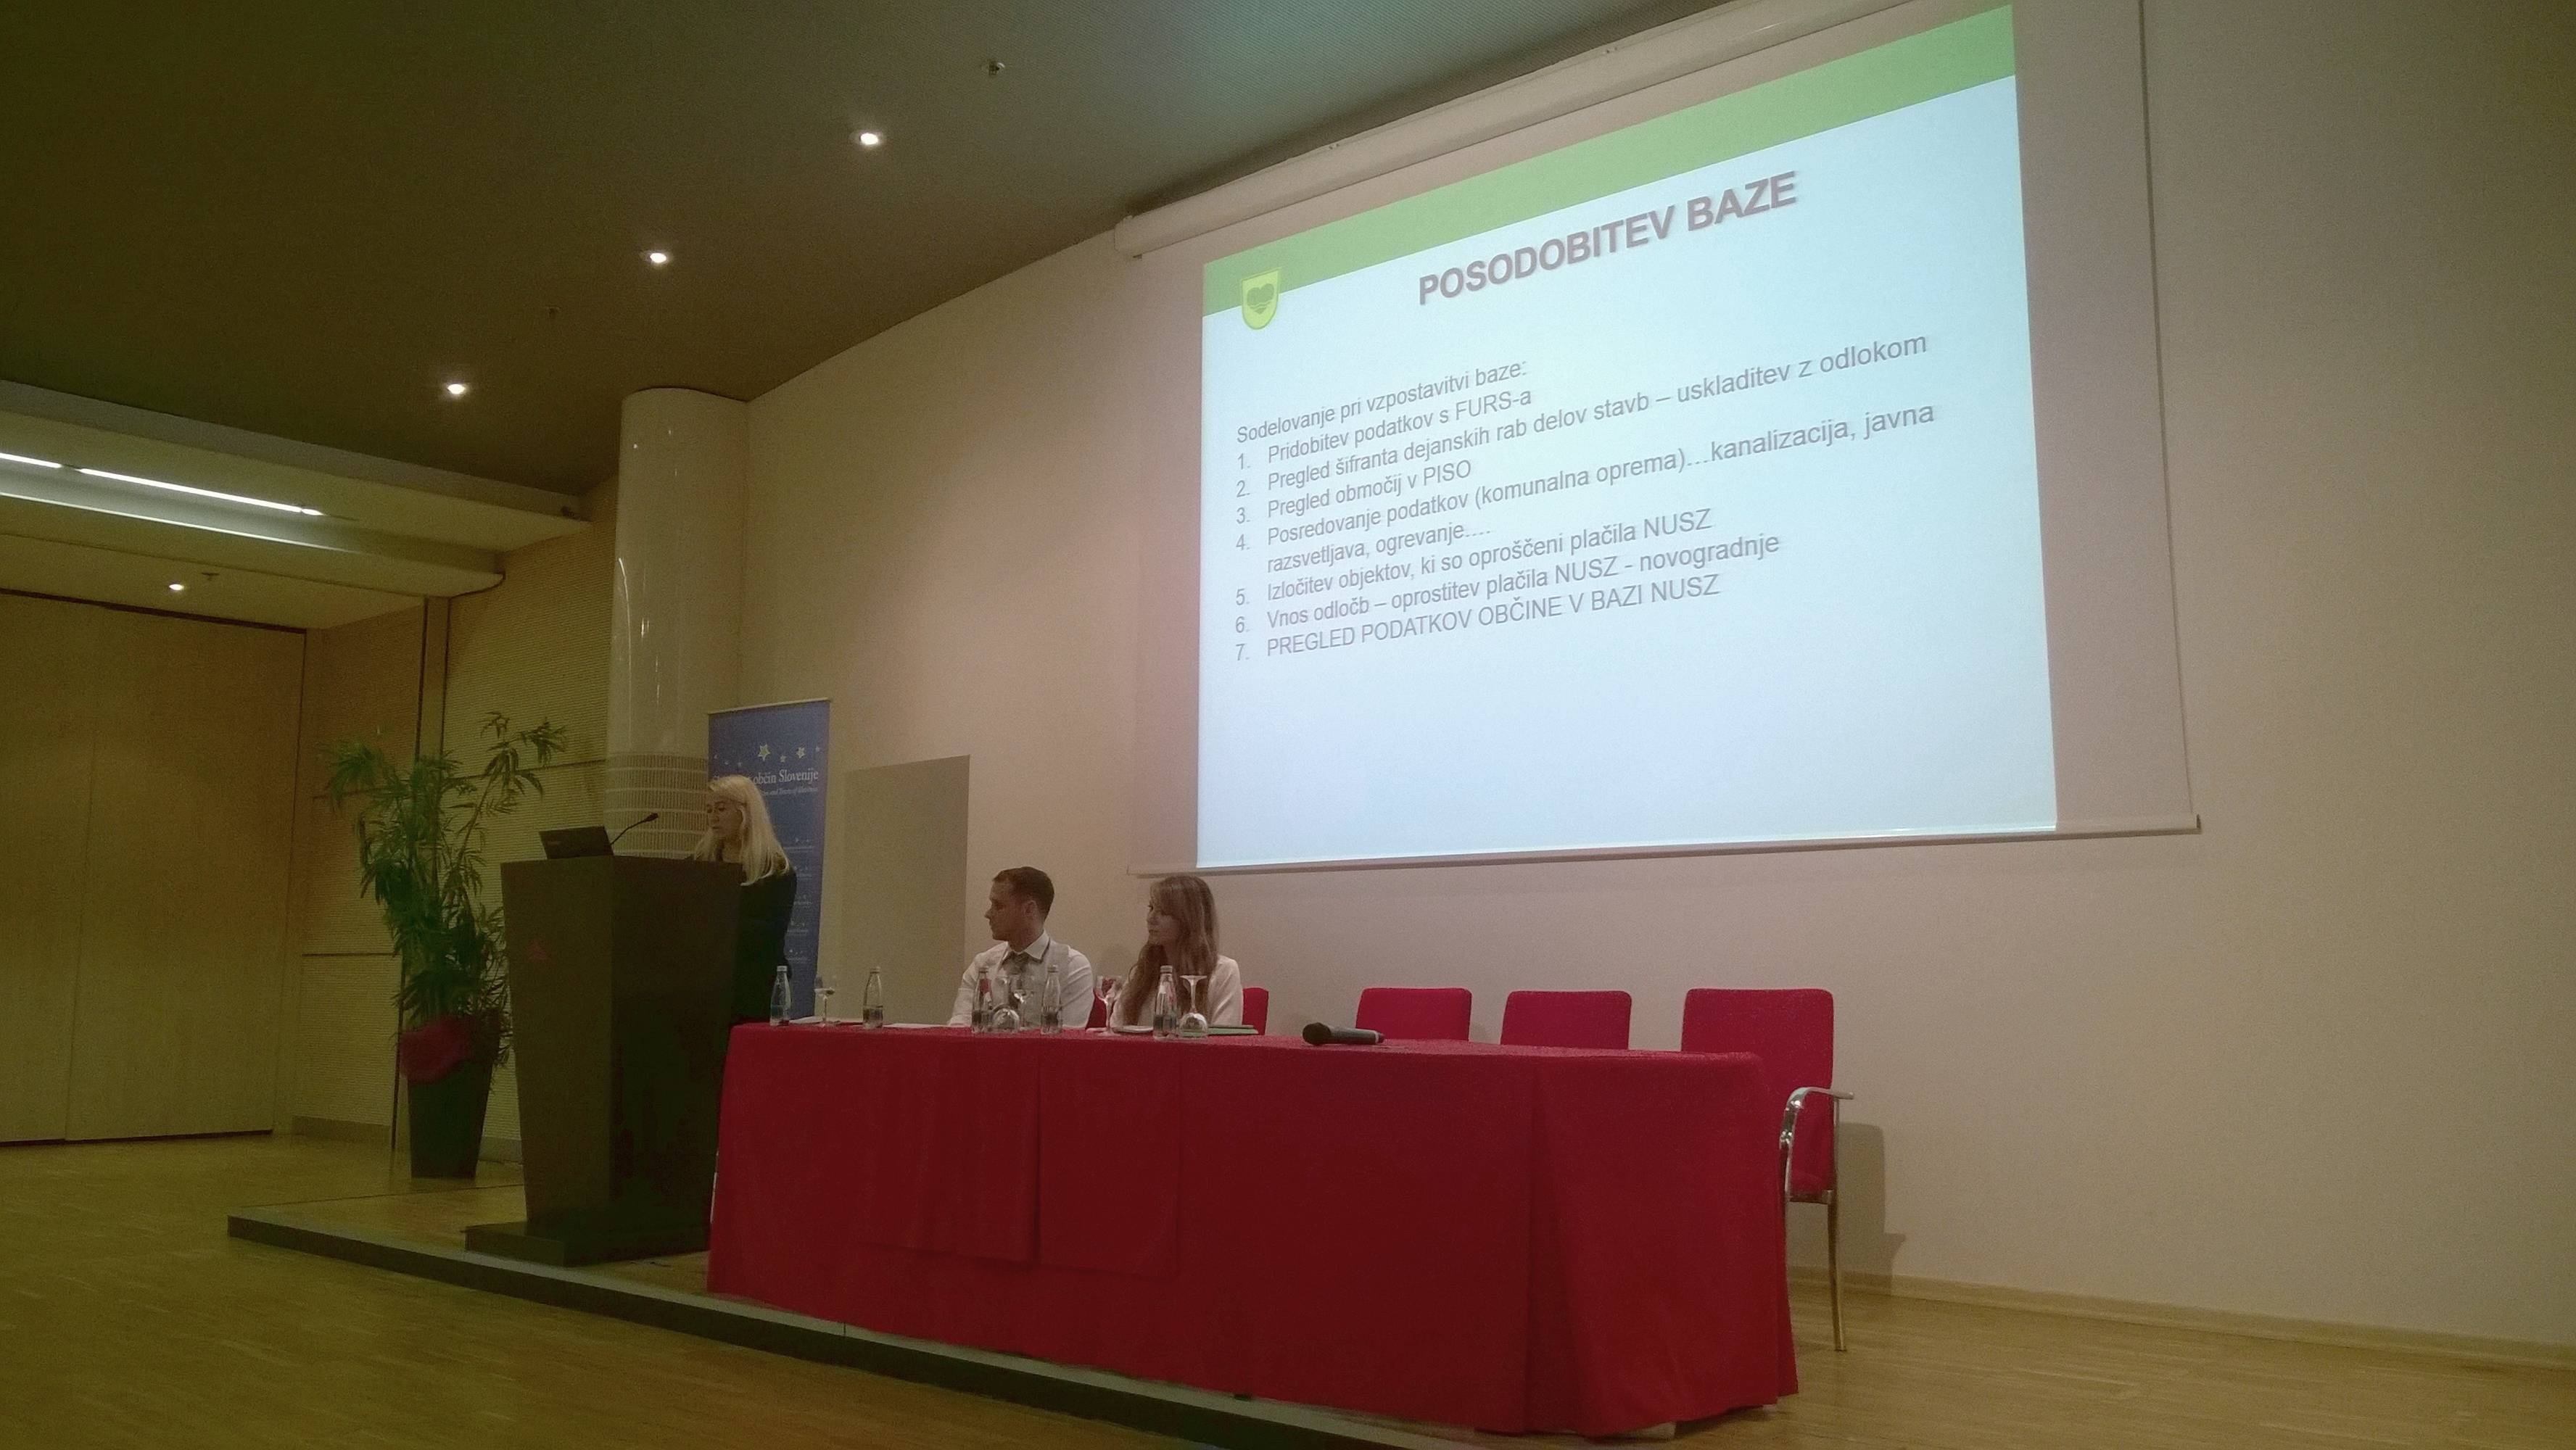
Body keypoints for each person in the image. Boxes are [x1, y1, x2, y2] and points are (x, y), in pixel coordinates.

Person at [694, 774, 798, 1023]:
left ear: (746, 812)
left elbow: (772, 932)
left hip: (755, 985)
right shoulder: (699, 864)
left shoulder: (775, 869)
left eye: (721, 809)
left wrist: (720, 921)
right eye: (709, 810)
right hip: (704, 984)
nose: (713, 817)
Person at [946, 866, 1094, 1028]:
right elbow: (960, 1025)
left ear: (1029, 910)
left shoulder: (1071, 967)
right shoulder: (983, 965)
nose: (988, 914)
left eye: (998, 906)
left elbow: (1067, 1037)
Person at [1107, 874, 1242, 1029]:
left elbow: (1225, 1037)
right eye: (1151, 908)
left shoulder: (1224, 971)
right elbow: (1116, 1028)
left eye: (1163, 912)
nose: (1151, 919)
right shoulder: (1142, 971)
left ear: (1189, 919)